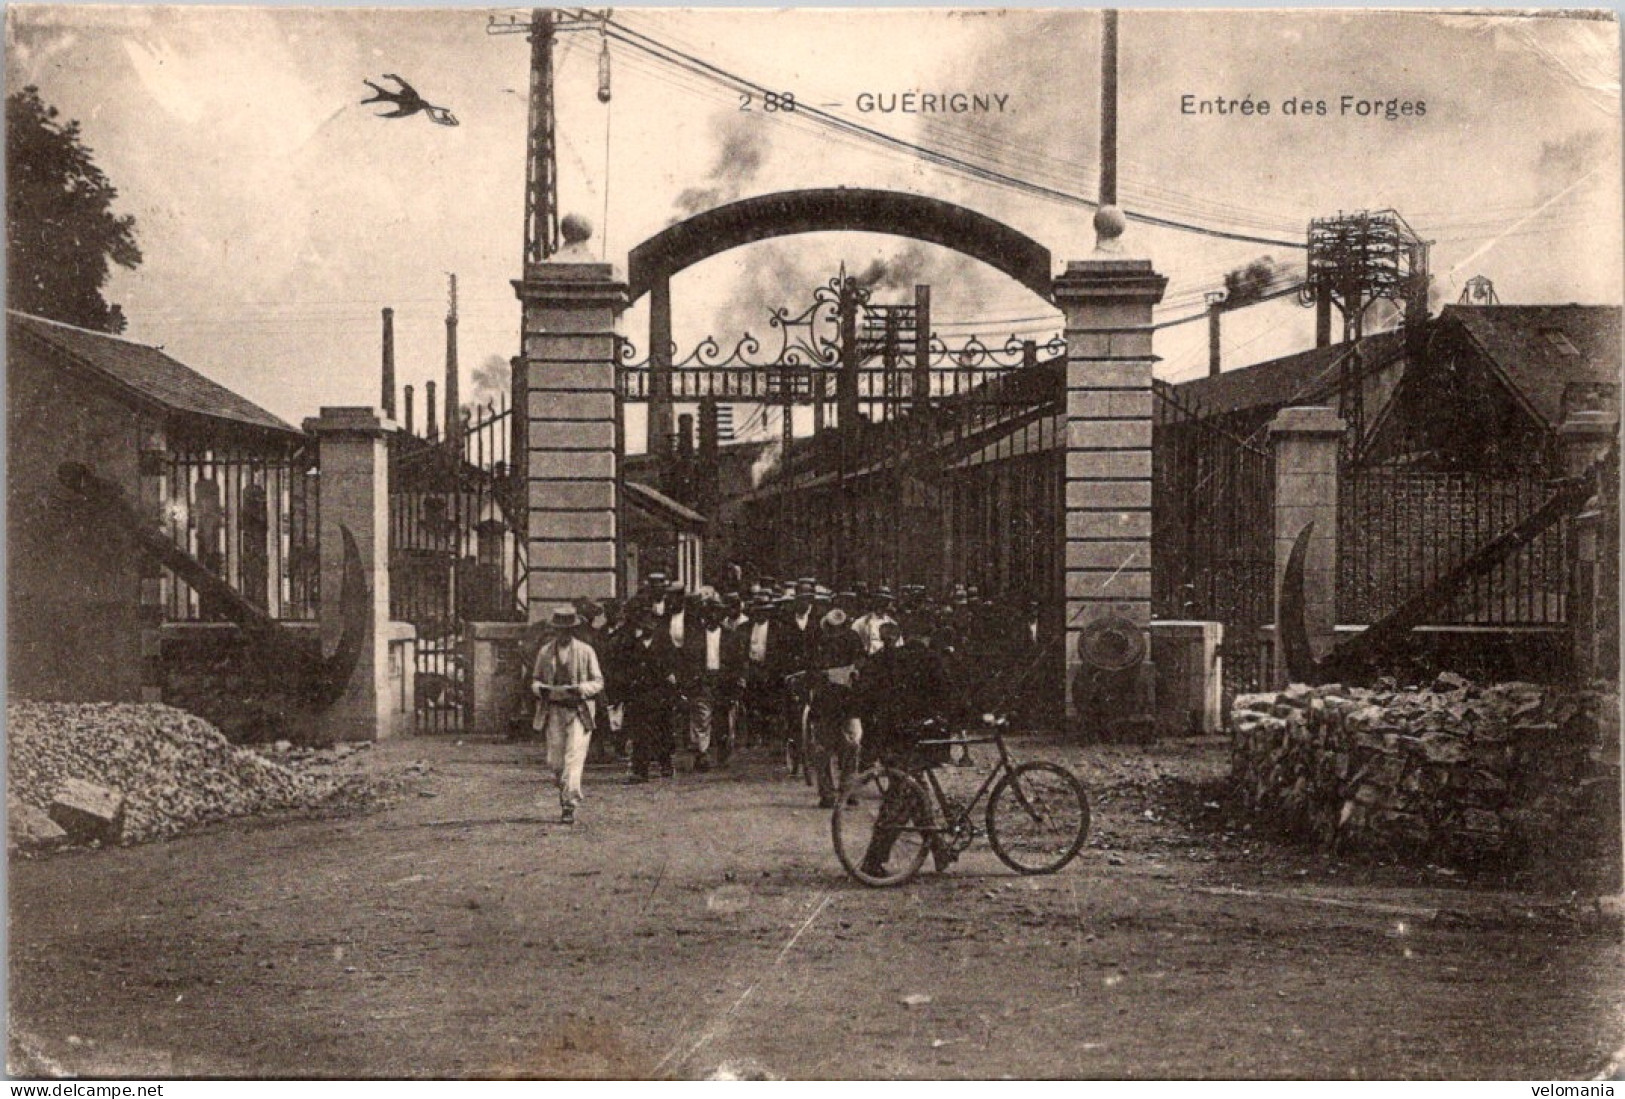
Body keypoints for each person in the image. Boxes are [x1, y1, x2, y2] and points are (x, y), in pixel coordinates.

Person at [531, 605, 605, 825]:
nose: (563, 634)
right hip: (553, 710)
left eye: (567, 630)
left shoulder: (585, 651)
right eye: (559, 630)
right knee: (555, 761)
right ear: (554, 630)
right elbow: (534, 679)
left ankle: (569, 805)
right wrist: (541, 689)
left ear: (573, 630)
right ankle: (565, 791)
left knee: (574, 757)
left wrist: (581, 689)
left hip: (578, 711)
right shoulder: (545, 652)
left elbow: (598, 682)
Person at [809, 607, 865, 809]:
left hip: (849, 702)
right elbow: (814, 670)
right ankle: (827, 793)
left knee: (852, 744)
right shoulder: (820, 640)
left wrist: (854, 672)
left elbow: (861, 661)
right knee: (823, 749)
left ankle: (848, 790)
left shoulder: (853, 638)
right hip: (825, 702)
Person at [621, 609, 680, 782]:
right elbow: (626, 666)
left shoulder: (664, 643)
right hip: (639, 694)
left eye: (651, 623)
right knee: (640, 733)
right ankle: (641, 770)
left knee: (662, 731)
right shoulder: (632, 644)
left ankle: (665, 763)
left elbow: (672, 667)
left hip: (660, 694)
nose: (647, 626)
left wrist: (670, 682)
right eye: (643, 623)